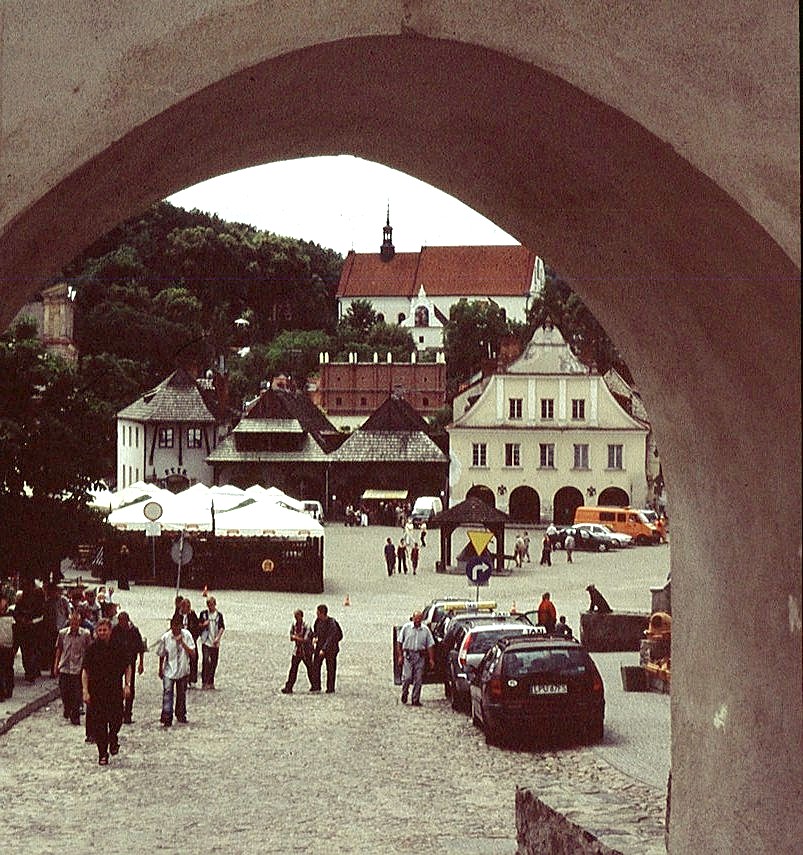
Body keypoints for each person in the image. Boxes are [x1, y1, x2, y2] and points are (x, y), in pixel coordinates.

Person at [81, 618, 132, 765]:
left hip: (114, 691)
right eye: (100, 630)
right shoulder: (92, 648)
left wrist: (127, 685)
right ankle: (102, 753)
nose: (102, 633)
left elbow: (128, 666)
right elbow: (85, 671)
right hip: (97, 692)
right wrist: (85, 691)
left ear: (110, 630)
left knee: (117, 719)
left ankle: (113, 737)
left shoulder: (118, 647)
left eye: (105, 630)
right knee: (99, 724)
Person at [156, 615, 197, 726]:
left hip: (183, 669)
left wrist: (183, 643)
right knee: (167, 692)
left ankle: (180, 714)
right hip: (169, 669)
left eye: (178, 626)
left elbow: (193, 654)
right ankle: (167, 715)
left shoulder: (187, 635)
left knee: (181, 694)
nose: (175, 629)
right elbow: (162, 654)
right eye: (174, 626)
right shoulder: (166, 637)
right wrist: (160, 668)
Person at [54, 608, 92, 724]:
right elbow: (59, 650)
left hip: (78, 668)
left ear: (79, 623)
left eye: (76, 623)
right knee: (65, 692)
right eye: (72, 622)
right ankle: (68, 708)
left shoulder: (85, 635)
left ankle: (75, 715)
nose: (74, 625)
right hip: (65, 667)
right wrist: (55, 666)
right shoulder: (62, 633)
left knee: (76, 694)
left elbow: (88, 651)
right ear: (69, 622)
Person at [396, 610, 435, 707]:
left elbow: (430, 645)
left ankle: (415, 699)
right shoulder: (406, 628)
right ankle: (405, 693)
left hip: (420, 656)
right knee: (407, 677)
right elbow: (399, 642)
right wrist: (400, 656)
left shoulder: (425, 630)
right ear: (412, 618)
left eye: (419, 619)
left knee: (418, 679)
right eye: (416, 618)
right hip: (408, 656)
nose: (417, 620)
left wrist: (431, 659)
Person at [111, 611, 145, 723]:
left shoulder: (134, 631)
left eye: (124, 621)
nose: (122, 623)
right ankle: (119, 710)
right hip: (117, 662)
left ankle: (128, 713)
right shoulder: (115, 630)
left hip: (130, 661)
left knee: (130, 686)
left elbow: (140, 648)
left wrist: (141, 663)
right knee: (116, 686)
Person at [310, 604, 342, 694]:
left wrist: (324, 649)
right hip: (319, 646)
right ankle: (316, 685)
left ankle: (330, 688)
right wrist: (315, 637)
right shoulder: (317, 621)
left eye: (318, 612)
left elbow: (331, 637)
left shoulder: (331, 623)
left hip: (331, 649)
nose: (316, 614)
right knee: (316, 666)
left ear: (322, 613)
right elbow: (315, 631)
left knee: (331, 669)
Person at [281, 608, 312, 694]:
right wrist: (297, 638)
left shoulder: (306, 626)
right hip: (297, 650)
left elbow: (306, 639)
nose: (296, 618)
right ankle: (289, 686)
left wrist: (296, 637)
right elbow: (291, 637)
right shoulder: (294, 625)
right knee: (293, 669)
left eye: (297, 616)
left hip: (306, 651)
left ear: (301, 616)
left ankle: (315, 685)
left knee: (310, 668)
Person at [198, 596, 225, 689]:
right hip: (206, 641)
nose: (210, 607)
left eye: (212, 605)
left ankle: (211, 681)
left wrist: (218, 638)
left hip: (215, 642)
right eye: (208, 605)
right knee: (205, 661)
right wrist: (203, 625)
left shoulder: (219, 615)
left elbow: (222, 627)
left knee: (214, 662)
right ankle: (204, 681)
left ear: (215, 604)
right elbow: (198, 625)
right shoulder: (204, 614)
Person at [173, 598, 200, 686]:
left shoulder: (192, 615)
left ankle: (193, 679)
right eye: (184, 607)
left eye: (188, 607)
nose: (186, 609)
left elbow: (197, 626)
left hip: (190, 638)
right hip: (180, 639)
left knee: (194, 657)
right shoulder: (178, 615)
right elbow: (173, 625)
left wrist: (194, 637)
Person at [0, 593, 15, 700]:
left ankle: (8, 689)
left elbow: (16, 630)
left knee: (8, 668)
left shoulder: (11, 614)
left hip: (9, 646)